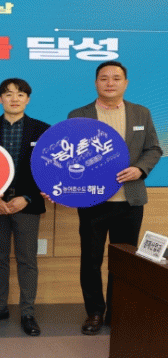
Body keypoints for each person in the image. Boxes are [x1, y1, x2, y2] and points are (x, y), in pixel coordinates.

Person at [68, 61, 162, 335]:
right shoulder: (79, 115)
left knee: (124, 262)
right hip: (93, 202)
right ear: (96, 82)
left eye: (116, 78)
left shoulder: (141, 113)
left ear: (126, 83)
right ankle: (95, 313)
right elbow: (69, 155)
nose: (110, 83)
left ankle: (117, 311)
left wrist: (140, 169)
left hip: (129, 201)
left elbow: (154, 149)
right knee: (91, 261)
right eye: (104, 78)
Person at [0, 78, 50, 336]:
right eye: (8, 94)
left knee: (27, 259)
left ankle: (28, 312)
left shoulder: (43, 130)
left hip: (27, 206)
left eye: (20, 94)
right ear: (0, 99)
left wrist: (27, 198)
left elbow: (48, 170)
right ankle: (0, 307)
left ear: (27, 99)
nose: (14, 99)